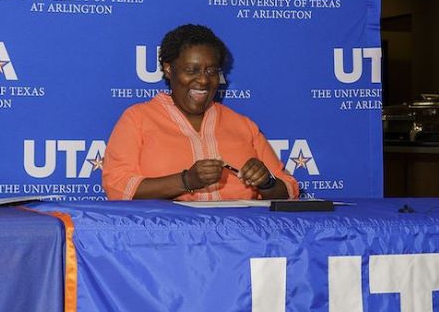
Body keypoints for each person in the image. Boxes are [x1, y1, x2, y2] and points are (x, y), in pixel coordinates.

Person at [103, 24, 299, 201]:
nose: (203, 80)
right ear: (169, 69)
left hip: (241, 239)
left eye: (211, 71)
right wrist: (186, 180)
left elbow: (289, 190)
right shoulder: (138, 118)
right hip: (165, 238)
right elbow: (118, 187)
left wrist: (267, 183)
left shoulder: (243, 125)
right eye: (191, 70)